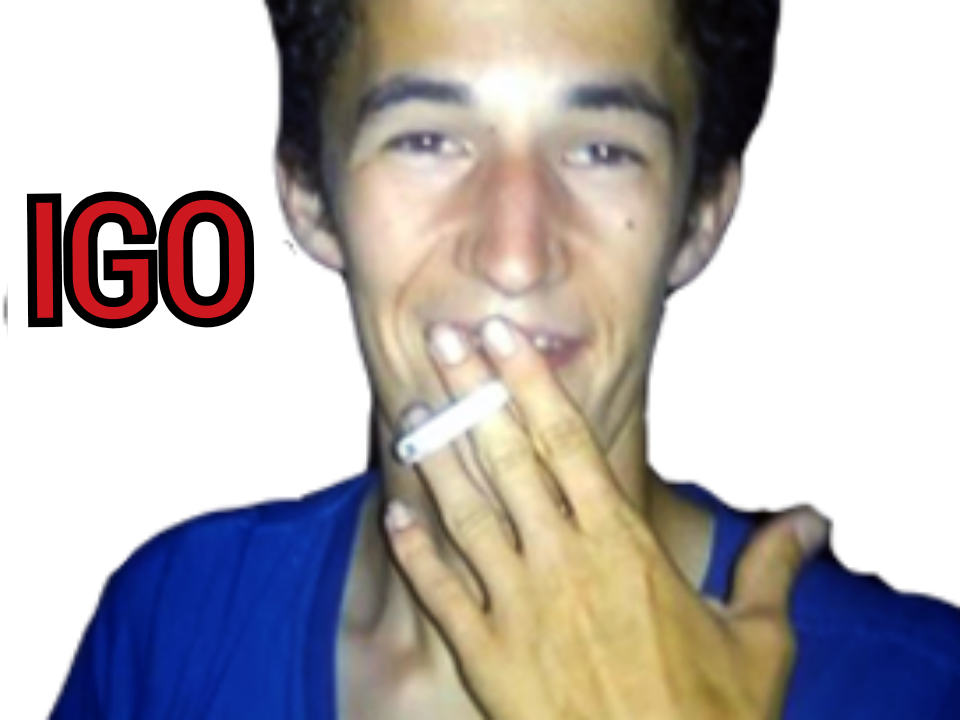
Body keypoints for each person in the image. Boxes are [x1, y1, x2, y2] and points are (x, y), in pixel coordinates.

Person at [48, 0, 960, 718]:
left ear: (701, 220)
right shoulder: (171, 622)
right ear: (306, 201)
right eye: (426, 139)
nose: (516, 255)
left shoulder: (925, 687)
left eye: (601, 149)